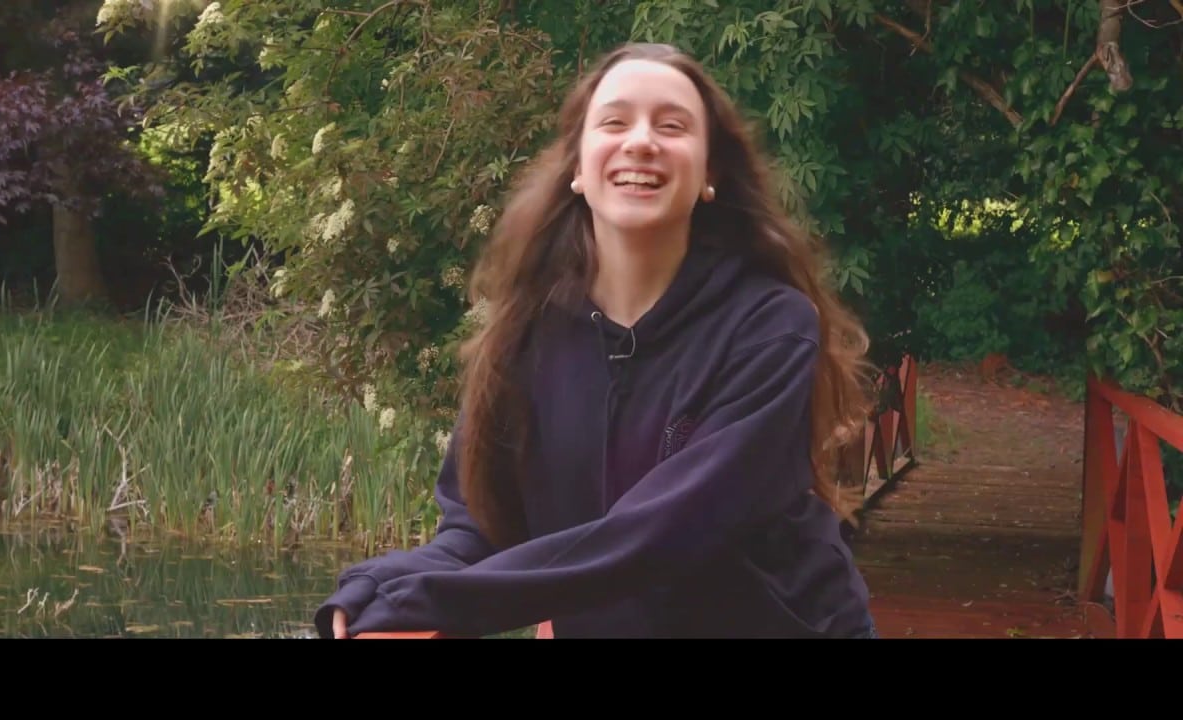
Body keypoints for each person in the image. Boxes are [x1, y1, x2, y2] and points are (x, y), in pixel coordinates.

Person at [313, 42, 879, 639]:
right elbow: (479, 531)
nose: (641, 141)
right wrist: (375, 589)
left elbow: (667, 532)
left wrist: (439, 600)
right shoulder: (526, 335)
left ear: (710, 173)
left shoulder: (769, 325)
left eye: (672, 125)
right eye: (614, 121)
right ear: (579, 168)